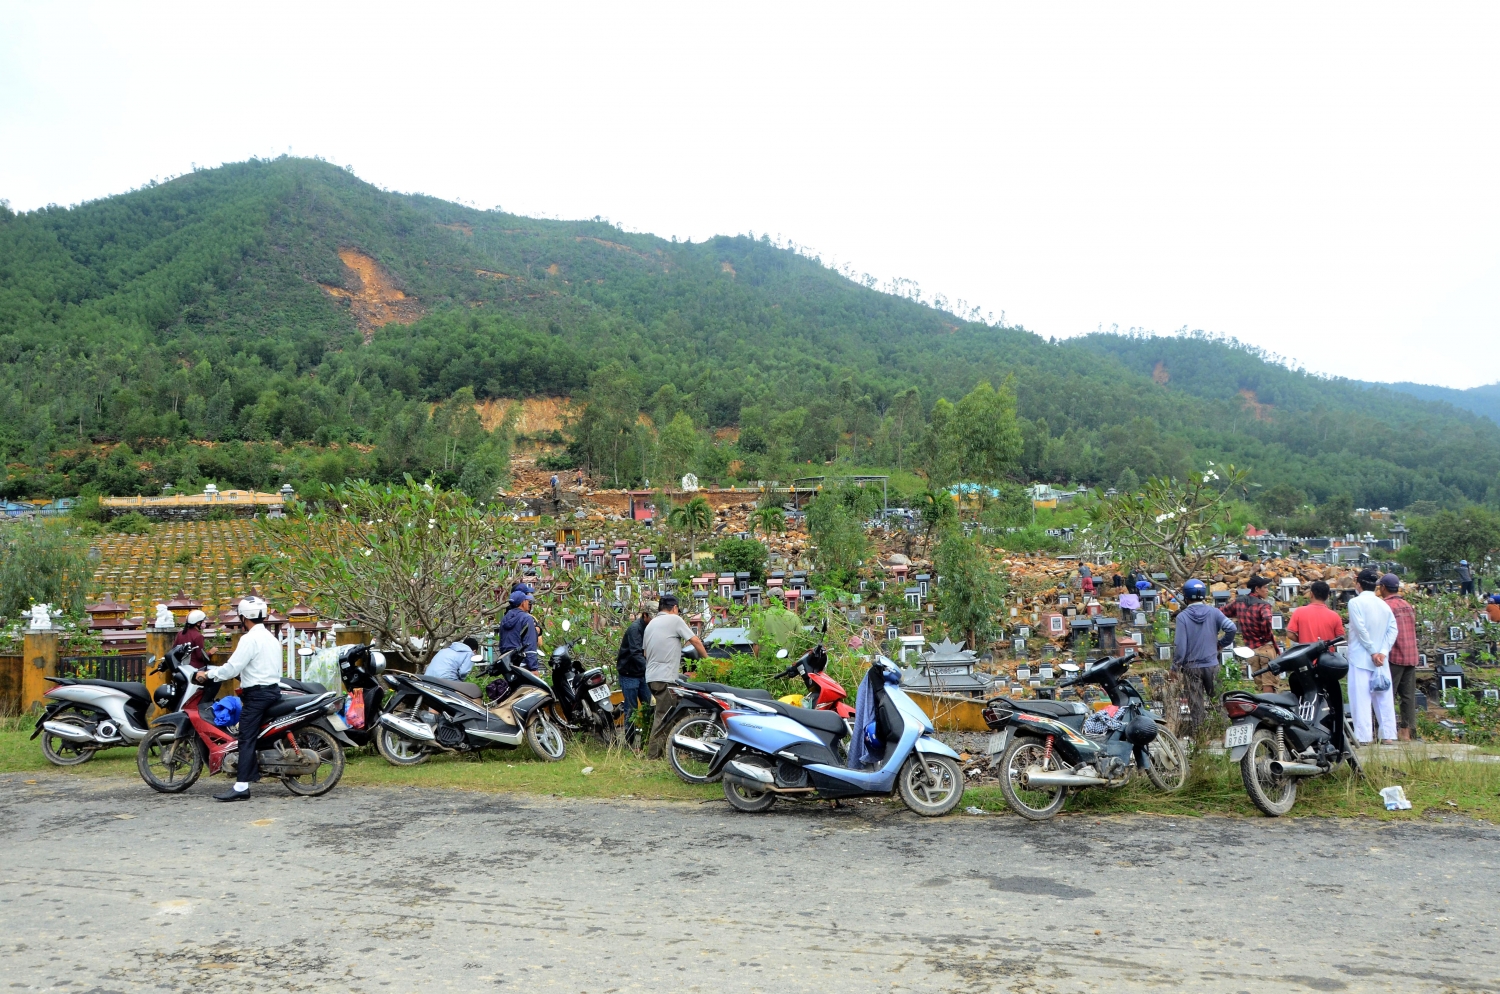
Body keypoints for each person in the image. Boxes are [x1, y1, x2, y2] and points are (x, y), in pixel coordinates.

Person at [191, 596, 282, 802]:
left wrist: (209, 675)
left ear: (243, 617)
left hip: (257, 696)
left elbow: (232, 667)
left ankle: (241, 786)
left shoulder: (249, 639)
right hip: (272, 691)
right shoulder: (271, 638)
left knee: (246, 737)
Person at [642, 594, 707, 760]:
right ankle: (653, 756)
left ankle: (686, 751)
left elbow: (645, 653)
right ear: (675, 608)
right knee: (663, 716)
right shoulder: (675, 620)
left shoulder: (650, 625)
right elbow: (695, 641)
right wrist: (709, 661)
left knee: (684, 710)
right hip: (665, 678)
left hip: (652, 676)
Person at [1172, 579, 1238, 734]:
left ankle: (1201, 738)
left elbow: (1180, 647)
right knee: (1219, 702)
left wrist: (1175, 667)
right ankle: (1224, 735)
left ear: (1186, 597)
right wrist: (1221, 644)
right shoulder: (1214, 612)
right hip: (1212, 665)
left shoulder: (1182, 617)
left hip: (1191, 668)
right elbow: (1232, 628)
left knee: (1196, 706)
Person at [1347, 566, 1398, 745]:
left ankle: (1363, 736)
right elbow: (1393, 630)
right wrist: (1383, 652)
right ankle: (1388, 735)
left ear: (1358, 584)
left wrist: (1373, 651)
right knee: (1383, 697)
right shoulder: (1383, 604)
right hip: (1380, 660)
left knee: (1360, 699)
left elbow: (1360, 630)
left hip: (1362, 657)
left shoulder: (1355, 603)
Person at [1377, 573, 1419, 742]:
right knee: (1408, 697)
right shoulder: (1406, 605)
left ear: (1383, 588)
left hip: (1394, 655)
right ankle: (1406, 733)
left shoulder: (1384, 606)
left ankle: (1387, 734)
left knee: (1387, 695)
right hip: (1411, 655)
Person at [1224, 575, 1281, 692]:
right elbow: (1266, 619)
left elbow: (1222, 612)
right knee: (1269, 684)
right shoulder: (1263, 605)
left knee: (1259, 685)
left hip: (1251, 650)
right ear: (1257, 589)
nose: (1267, 590)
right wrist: (1264, 634)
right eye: (1265, 587)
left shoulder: (1239, 602)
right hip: (1266, 648)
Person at [615, 606, 653, 719]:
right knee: (631, 710)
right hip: (629, 674)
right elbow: (636, 653)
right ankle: (630, 736)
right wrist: (650, 668)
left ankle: (647, 735)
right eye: (652, 617)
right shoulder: (635, 629)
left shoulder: (650, 627)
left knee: (650, 707)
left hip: (642, 673)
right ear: (645, 615)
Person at [1285, 580, 1346, 645]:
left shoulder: (1299, 612)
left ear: (1311, 594)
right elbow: (1340, 638)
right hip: (1327, 654)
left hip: (1306, 653)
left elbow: (1290, 635)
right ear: (1327, 596)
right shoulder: (1335, 616)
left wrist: (1302, 640)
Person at [499, 589, 541, 672]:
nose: (528, 602)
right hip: (523, 664)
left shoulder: (504, 619)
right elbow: (530, 645)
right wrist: (533, 668)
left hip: (507, 664)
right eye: (526, 600)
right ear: (522, 603)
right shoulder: (527, 618)